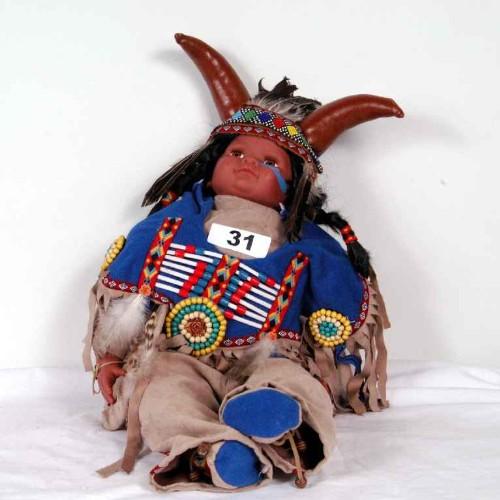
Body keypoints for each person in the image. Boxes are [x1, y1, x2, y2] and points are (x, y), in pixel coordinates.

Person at [83, 34, 403, 492]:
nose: (248, 164)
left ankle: (279, 422)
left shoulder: (306, 244)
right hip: (176, 356)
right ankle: (216, 453)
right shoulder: (169, 225)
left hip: (267, 355)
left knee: (292, 382)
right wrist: (109, 358)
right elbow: (127, 295)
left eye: (270, 162)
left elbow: (342, 305)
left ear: (295, 186)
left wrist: (334, 356)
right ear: (211, 161)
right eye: (236, 153)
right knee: (160, 391)